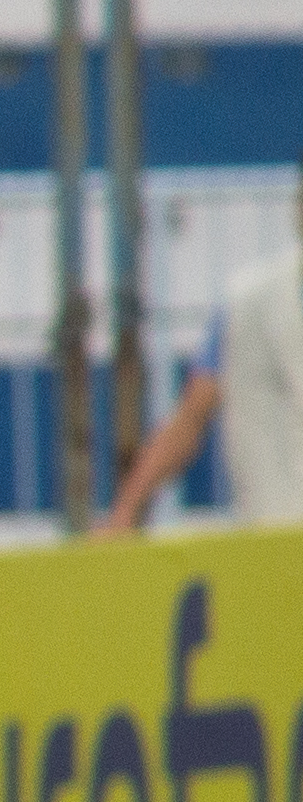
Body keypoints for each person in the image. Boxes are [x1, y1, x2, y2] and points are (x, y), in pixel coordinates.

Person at [95, 164, 302, 534]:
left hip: (274, 543)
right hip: (279, 542)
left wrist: (125, 513)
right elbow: (191, 417)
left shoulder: (253, 301)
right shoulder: (254, 304)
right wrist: (125, 512)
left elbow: (191, 416)